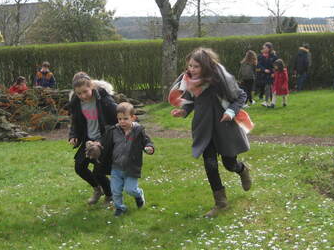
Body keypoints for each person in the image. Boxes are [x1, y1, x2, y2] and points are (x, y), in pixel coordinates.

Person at [170, 47, 252, 218]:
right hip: (203, 129)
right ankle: (220, 202)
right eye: (190, 66)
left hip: (224, 128)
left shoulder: (219, 81)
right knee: (210, 165)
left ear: (206, 67)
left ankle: (242, 169)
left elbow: (240, 96)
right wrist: (183, 111)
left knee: (229, 164)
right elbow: (190, 101)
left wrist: (230, 112)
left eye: (196, 67)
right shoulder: (190, 81)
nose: (191, 69)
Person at [68, 71, 117, 205]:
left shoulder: (104, 99)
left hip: (103, 139)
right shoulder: (77, 103)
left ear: (92, 87)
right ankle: (98, 189)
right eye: (79, 93)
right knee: (80, 167)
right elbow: (75, 122)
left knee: (98, 171)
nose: (83, 96)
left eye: (85, 91)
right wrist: (73, 136)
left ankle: (109, 195)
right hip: (88, 139)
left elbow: (117, 118)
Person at [97, 102, 155, 217]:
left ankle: (139, 195)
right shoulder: (113, 131)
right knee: (115, 191)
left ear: (133, 117)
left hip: (131, 167)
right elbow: (103, 141)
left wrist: (149, 147)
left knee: (130, 190)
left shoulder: (138, 131)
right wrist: (96, 145)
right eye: (119, 119)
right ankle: (119, 207)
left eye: (125, 118)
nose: (122, 121)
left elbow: (147, 141)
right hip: (116, 167)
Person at [256, 42, 278, 107]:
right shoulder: (261, 56)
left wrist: (273, 73)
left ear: (269, 48)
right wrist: (264, 69)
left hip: (272, 74)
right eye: (263, 47)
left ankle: (272, 101)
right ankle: (266, 101)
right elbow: (259, 64)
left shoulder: (274, 56)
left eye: (265, 47)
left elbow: (276, 65)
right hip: (265, 75)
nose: (263, 49)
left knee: (272, 88)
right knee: (267, 87)